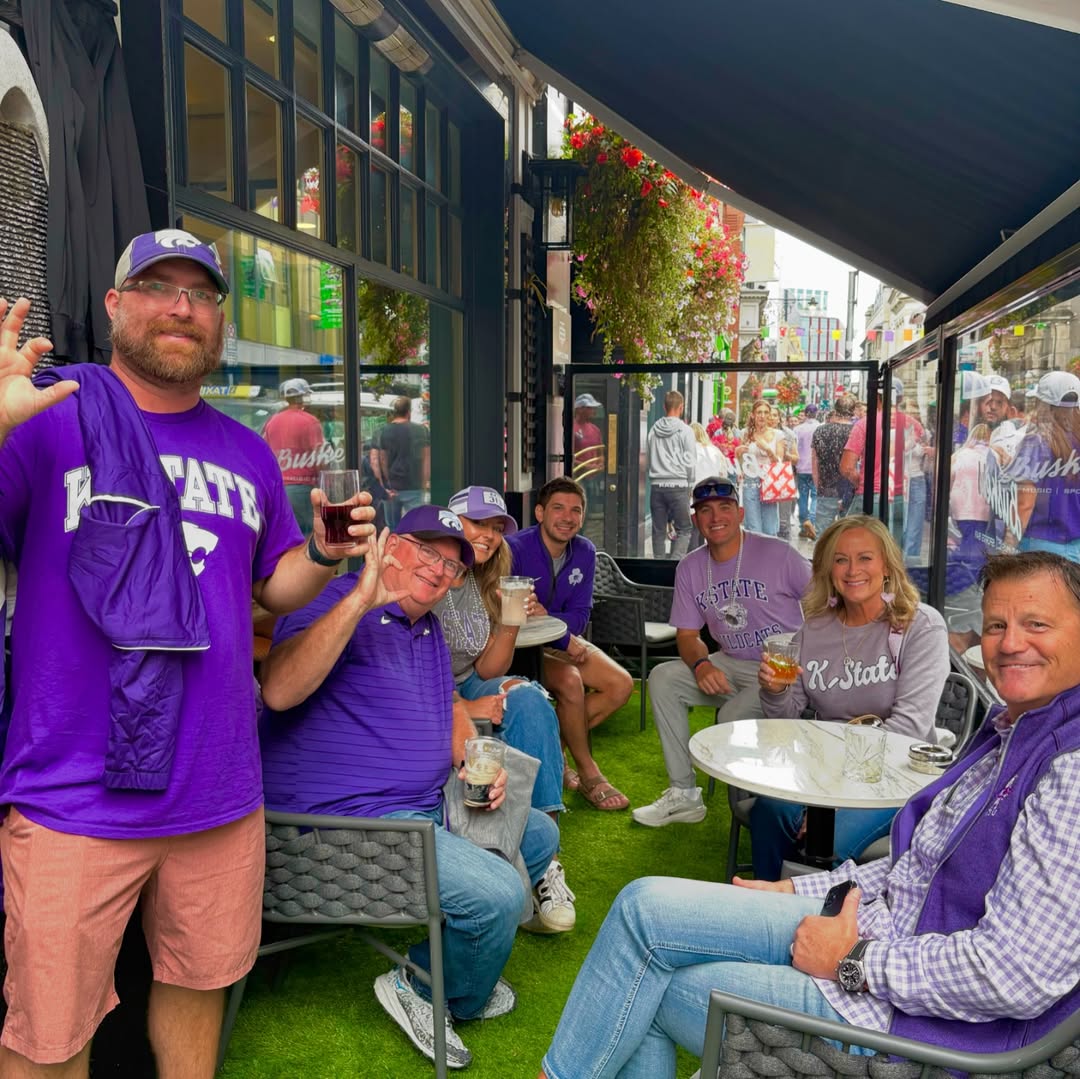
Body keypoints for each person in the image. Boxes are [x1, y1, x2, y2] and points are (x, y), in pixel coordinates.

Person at [0, 229, 375, 1077]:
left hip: (217, 792)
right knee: (45, 1041)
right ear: (115, 305)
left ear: (217, 320)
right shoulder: (47, 419)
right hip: (72, 798)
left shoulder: (246, 450)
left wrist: (317, 553)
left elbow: (267, 588)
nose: (181, 306)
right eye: (159, 286)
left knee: (196, 1006)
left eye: (201, 293)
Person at [539, 550, 1080, 1078]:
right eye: (995, 625)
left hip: (924, 1024)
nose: (1010, 644)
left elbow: (1017, 973)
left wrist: (855, 961)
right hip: (886, 925)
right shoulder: (1015, 729)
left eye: (1037, 624)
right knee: (642, 906)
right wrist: (800, 891)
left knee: (654, 988)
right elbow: (920, 867)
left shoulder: (1068, 772)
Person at [259, 507, 560, 1070]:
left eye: (450, 565)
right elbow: (276, 690)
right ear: (391, 546)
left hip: (417, 808)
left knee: (537, 834)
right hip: (338, 829)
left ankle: (452, 965)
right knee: (500, 893)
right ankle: (421, 988)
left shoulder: (427, 628)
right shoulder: (332, 601)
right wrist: (359, 603)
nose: (440, 571)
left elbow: (449, 708)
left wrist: (477, 762)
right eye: (428, 551)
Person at [753, 516, 948, 878]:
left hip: (894, 775)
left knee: (829, 842)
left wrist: (832, 800)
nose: (852, 570)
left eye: (865, 558)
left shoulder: (920, 626)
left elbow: (910, 727)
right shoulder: (813, 629)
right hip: (821, 768)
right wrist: (775, 689)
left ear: (887, 565)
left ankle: (825, 925)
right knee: (769, 811)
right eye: (840, 559)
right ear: (828, 569)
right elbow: (787, 717)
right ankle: (767, 907)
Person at [435, 484, 575, 933]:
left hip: (464, 679)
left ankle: (546, 865)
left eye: (497, 527)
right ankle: (516, 856)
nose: (490, 536)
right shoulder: (430, 574)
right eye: (479, 524)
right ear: (452, 523)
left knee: (530, 698)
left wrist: (511, 623)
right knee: (517, 695)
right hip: (428, 689)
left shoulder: (483, 579)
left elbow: (487, 664)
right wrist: (467, 703)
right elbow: (412, 661)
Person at [633, 477, 811, 827]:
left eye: (725, 508)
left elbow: (823, 606)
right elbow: (686, 635)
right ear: (695, 519)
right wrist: (700, 665)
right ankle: (683, 794)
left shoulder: (778, 554)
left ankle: (757, 805)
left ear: (740, 512)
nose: (716, 517)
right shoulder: (690, 567)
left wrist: (803, 655)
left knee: (730, 717)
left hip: (779, 671)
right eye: (705, 510)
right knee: (663, 677)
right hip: (729, 661)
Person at [507, 477, 633, 811]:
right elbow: (514, 619)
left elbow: (580, 616)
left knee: (620, 685)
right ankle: (589, 773)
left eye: (575, 510)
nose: (568, 517)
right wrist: (561, 633)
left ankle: (555, 750)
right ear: (539, 512)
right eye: (558, 508)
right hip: (518, 650)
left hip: (560, 640)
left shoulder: (585, 552)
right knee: (571, 682)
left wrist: (556, 628)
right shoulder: (514, 549)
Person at [1001, 370, 1080, 561]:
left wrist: (1006, 549)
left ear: (1041, 404)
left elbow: (1025, 502)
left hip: (1041, 548)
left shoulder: (1036, 442)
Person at [262, 377, 326, 535]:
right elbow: (320, 457)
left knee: (286, 536)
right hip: (304, 489)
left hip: (279, 489)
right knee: (310, 537)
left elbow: (266, 454)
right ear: (302, 397)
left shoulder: (272, 422)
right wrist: (325, 482)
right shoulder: (310, 422)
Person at [646, 390, 696, 558]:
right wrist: (690, 484)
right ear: (681, 407)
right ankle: (674, 565)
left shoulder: (653, 430)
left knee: (658, 531)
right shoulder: (685, 431)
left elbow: (649, 458)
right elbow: (690, 462)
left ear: (664, 406)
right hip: (678, 485)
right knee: (684, 529)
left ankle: (658, 568)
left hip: (657, 486)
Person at [371, 395, 430, 526]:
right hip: (414, 486)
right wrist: (424, 483)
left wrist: (384, 485)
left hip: (392, 488)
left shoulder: (382, 431)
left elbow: (378, 460)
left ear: (394, 413)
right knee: (415, 527)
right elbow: (426, 458)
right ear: (409, 413)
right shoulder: (422, 430)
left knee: (393, 528)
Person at [736, 400, 784, 537]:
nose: (762, 416)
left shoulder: (777, 435)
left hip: (769, 480)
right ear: (753, 415)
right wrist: (738, 453)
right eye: (759, 412)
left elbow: (779, 462)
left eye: (765, 412)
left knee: (769, 527)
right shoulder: (745, 434)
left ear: (769, 415)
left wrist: (768, 449)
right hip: (751, 480)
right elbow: (741, 463)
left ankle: (769, 557)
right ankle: (755, 557)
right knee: (753, 527)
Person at [811, 394, 856, 535]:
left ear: (835, 409)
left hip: (826, 488)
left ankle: (823, 557)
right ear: (853, 411)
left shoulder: (820, 430)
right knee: (849, 533)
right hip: (850, 489)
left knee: (822, 535)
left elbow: (814, 461)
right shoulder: (856, 431)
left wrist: (818, 485)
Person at [793, 405, 820, 540]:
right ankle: (812, 520)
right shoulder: (821, 427)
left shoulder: (797, 429)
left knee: (803, 496)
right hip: (815, 468)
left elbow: (794, 448)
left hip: (801, 467)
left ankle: (803, 526)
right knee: (815, 496)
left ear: (805, 413)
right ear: (817, 413)